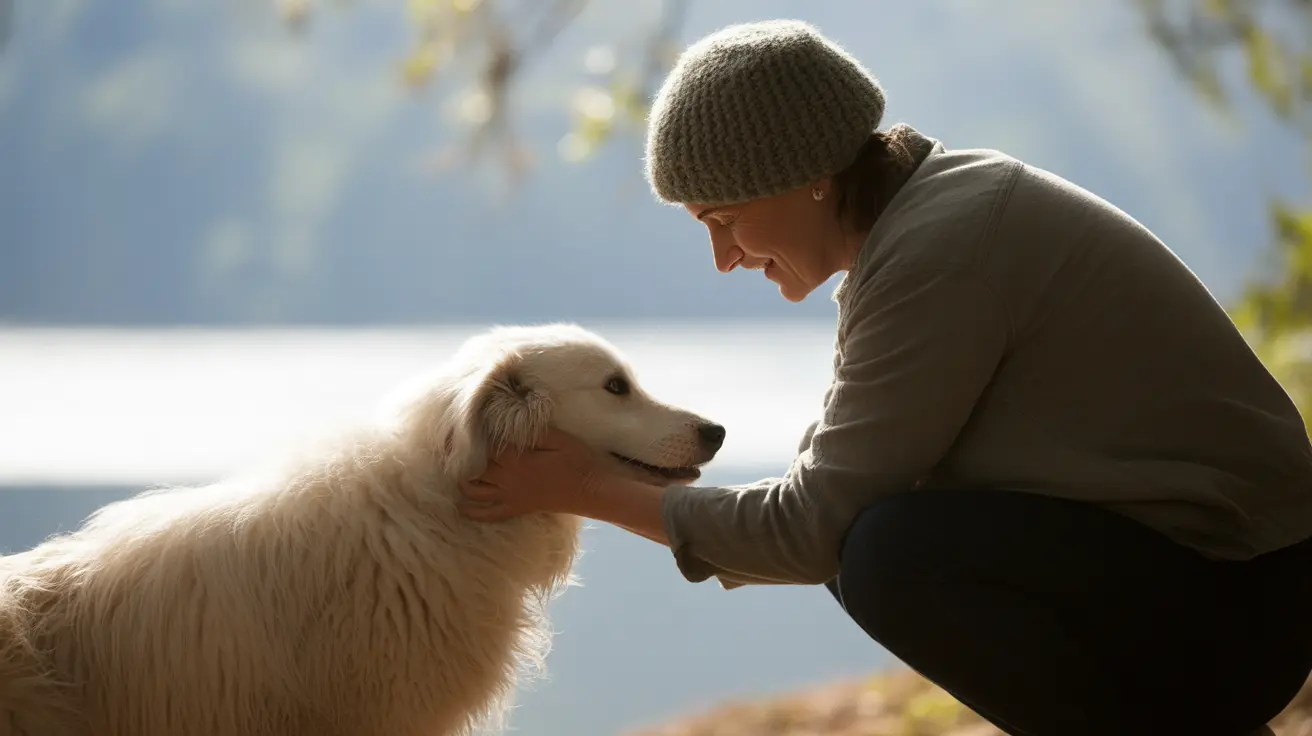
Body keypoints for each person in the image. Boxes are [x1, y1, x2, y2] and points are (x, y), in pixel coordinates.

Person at [458, 18, 1312, 736]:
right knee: (866, 536)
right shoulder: (922, 226)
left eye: (724, 220)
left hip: (1240, 604)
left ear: (809, 182)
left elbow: (810, 526)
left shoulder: (941, 256)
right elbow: (823, 494)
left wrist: (575, 485)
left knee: (886, 554)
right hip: (1215, 582)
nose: (722, 259)